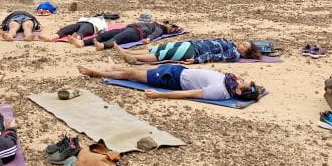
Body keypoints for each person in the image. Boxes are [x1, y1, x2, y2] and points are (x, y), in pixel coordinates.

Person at [77, 63, 263, 102]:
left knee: (132, 74)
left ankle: (96, 72)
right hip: (179, 70)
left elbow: (188, 94)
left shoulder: (220, 91)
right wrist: (252, 89)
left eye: (243, 82)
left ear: (238, 91)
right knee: (138, 70)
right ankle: (112, 69)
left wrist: (160, 95)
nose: (240, 79)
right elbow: (248, 87)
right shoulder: (231, 82)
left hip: (172, 80)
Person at [115, 38, 262, 64]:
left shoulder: (234, 54)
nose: (241, 43)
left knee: (161, 55)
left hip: (194, 51)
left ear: (244, 52)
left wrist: (197, 60)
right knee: (159, 48)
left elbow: (215, 56)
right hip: (192, 44)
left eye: (244, 45)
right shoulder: (232, 45)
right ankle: (129, 53)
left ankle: (134, 58)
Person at [65, 20, 176, 50]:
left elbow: (155, 34)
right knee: (104, 35)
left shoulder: (159, 28)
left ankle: (103, 46)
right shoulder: (154, 24)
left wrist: (148, 39)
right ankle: (82, 42)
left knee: (116, 39)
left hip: (136, 33)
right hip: (129, 28)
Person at [39, 16, 108, 42]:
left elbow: (104, 30)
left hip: (91, 26)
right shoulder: (87, 17)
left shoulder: (102, 21)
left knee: (82, 31)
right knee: (65, 29)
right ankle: (51, 38)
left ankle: (76, 38)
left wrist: (100, 32)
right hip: (80, 23)